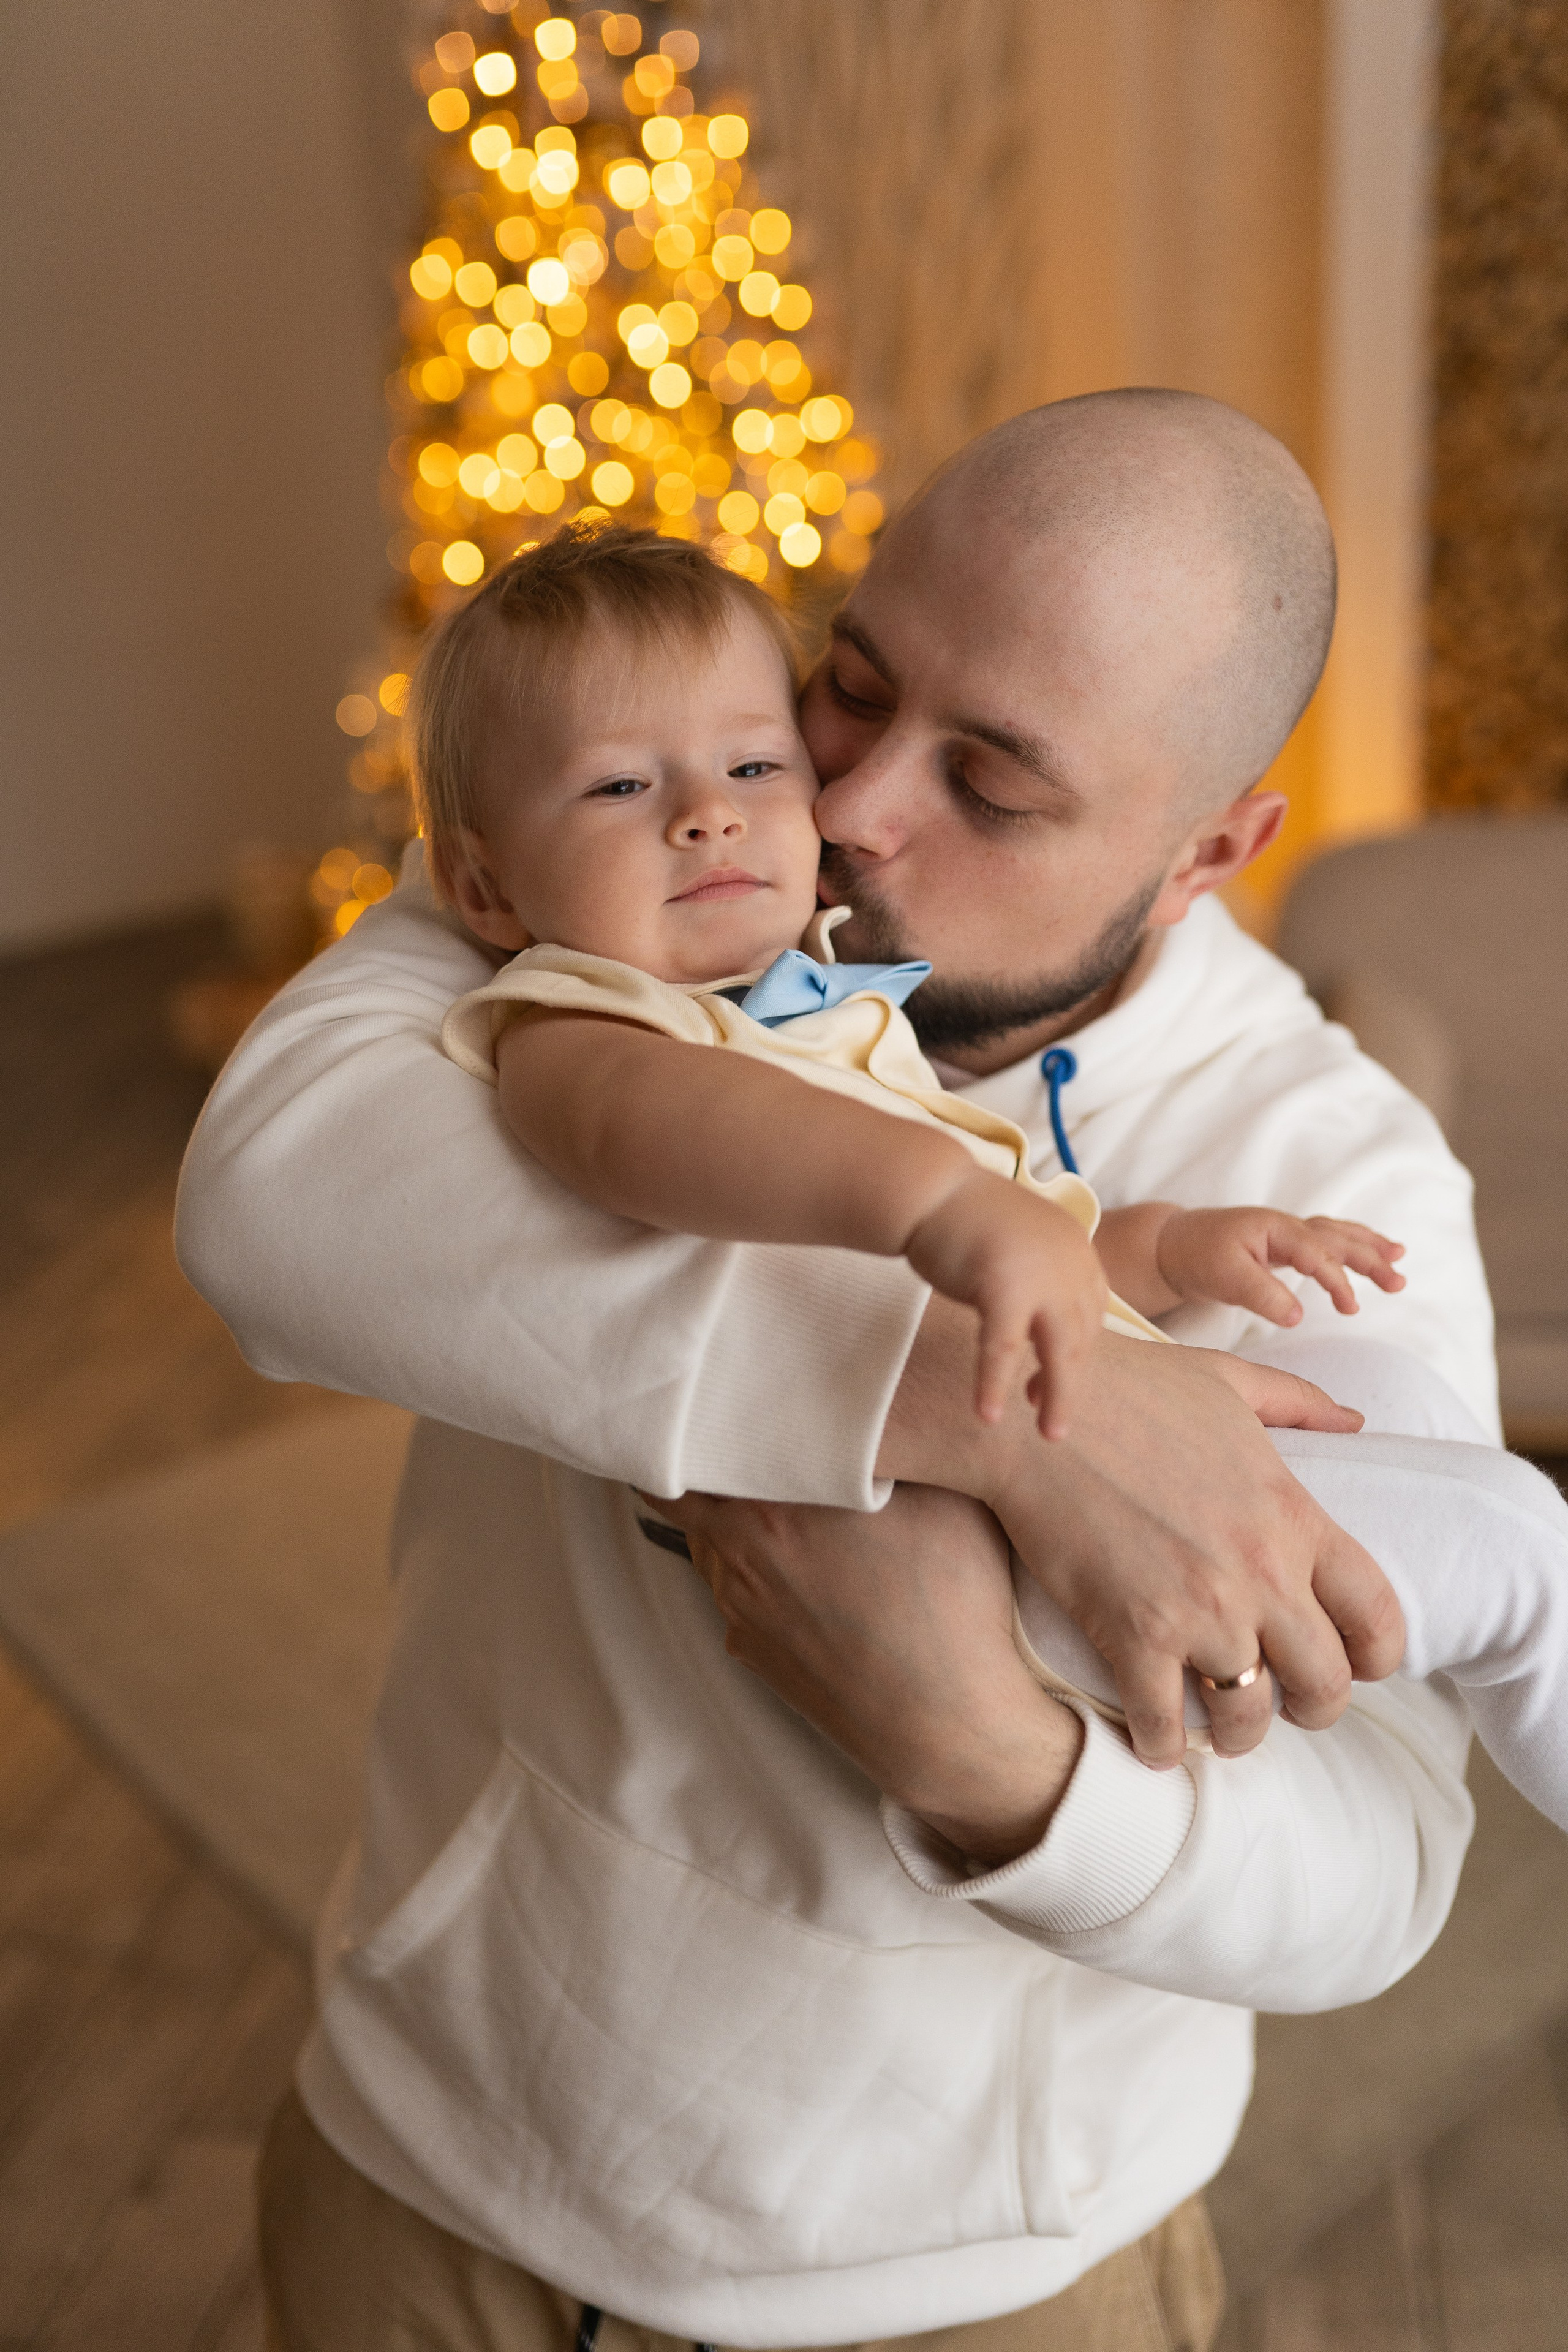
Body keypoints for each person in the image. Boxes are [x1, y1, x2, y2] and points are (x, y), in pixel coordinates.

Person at [178, 390, 1524, 2349]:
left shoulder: (1335, 1172)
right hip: (444, 2159)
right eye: (857, 686)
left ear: (1209, 850)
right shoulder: (630, 859)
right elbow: (271, 1195)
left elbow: (1378, 1870)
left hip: (980, 2280)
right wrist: (1008, 1418)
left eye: (995, 785)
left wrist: (983, 1753)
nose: (853, 809)